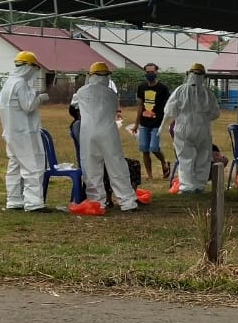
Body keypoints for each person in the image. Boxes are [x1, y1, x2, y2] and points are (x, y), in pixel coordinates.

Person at [72, 62, 140, 212]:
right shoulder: (111, 93)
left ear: (91, 76)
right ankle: (128, 202)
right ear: (107, 76)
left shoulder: (82, 92)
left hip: (88, 133)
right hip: (108, 132)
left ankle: (96, 202)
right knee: (117, 166)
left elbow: (73, 106)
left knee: (92, 167)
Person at [0, 51, 51, 212]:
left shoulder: (9, 83)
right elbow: (28, 106)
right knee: (32, 166)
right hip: (23, 133)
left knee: (14, 167)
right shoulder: (20, 83)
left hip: (11, 132)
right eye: (34, 68)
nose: (34, 72)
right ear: (28, 67)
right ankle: (34, 203)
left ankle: (14, 200)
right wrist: (40, 98)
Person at [162, 63, 221, 194]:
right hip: (202, 128)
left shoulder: (180, 90)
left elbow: (170, 110)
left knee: (185, 158)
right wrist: (203, 118)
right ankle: (199, 185)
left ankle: (187, 187)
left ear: (189, 74)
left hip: (183, 126)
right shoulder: (208, 93)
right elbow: (215, 113)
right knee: (203, 157)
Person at [134, 63, 172, 180]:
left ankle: (164, 161)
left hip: (157, 123)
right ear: (145, 73)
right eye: (148, 72)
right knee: (145, 149)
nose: (150, 74)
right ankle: (150, 175)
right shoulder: (142, 87)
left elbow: (168, 105)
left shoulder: (163, 88)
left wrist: (166, 120)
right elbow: (140, 106)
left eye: (152, 72)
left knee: (154, 147)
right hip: (144, 123)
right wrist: (136, 123)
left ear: (156, 72)